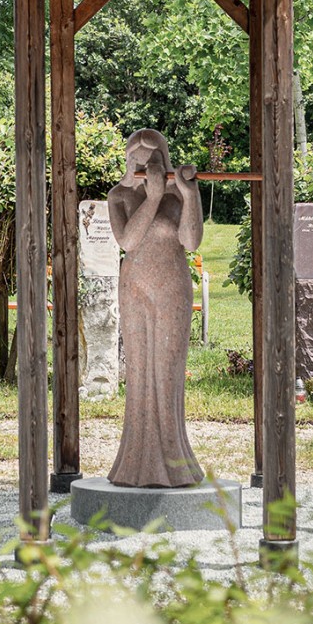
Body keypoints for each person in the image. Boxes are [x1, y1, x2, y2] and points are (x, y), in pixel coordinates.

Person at [106, 128, 204, 488]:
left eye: (154, 162)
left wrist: (189, 195)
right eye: (139, 162)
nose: (146, 168)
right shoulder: (119, 195)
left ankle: (175, 462)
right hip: (134, 288)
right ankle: (133, 464)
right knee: (139, 373)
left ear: (164, 160)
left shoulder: (179, 195)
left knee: (167, 370)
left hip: (172, 287)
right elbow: (128, 241)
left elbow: (191, 241)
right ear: (129, 163)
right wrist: (150, 198)